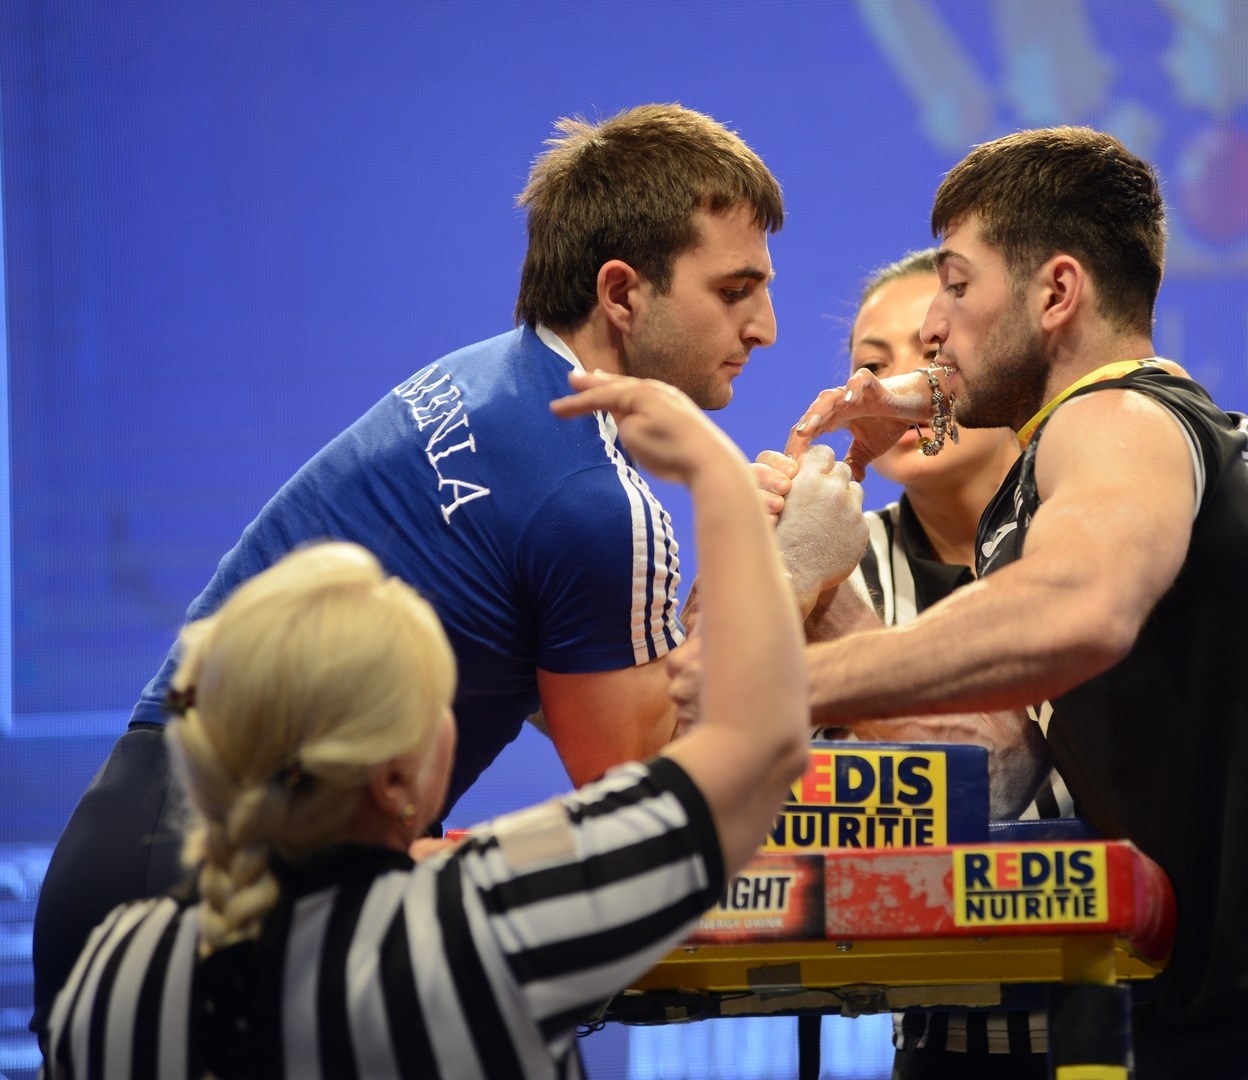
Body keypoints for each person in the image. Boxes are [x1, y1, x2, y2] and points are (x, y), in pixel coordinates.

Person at [30, 102, 863, 1045]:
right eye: (736, 289)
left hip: (124, 903)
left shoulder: (491, 378)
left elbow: (587, 678)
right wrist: (790, 568)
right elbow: (657, 793)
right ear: (623, 293)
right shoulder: (593, 497)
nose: (767, 327)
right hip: (243, 917)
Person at [784, 127, 1248, 1078]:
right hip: (1199, 1013)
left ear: (1057, 292)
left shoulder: (1120, 412)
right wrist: (814, 593)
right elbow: (996, 766)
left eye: (957, 284)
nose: (934, 325)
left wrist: (784, 681)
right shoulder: (1038, 490)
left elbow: (1077, 608)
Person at [42, 370, 810, 1080]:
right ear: (399, 778)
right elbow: (757, 747)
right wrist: (722, 487)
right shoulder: (489, 915)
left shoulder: (117, 968)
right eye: (435, 702)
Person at [839, 250, 1076, 1075]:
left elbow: (1004, 780)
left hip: (1136, 1027)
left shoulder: (1100, 534)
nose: (892, 385)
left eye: (930, 354)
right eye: (871, 363)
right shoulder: (832, 554)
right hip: (940, 1044)